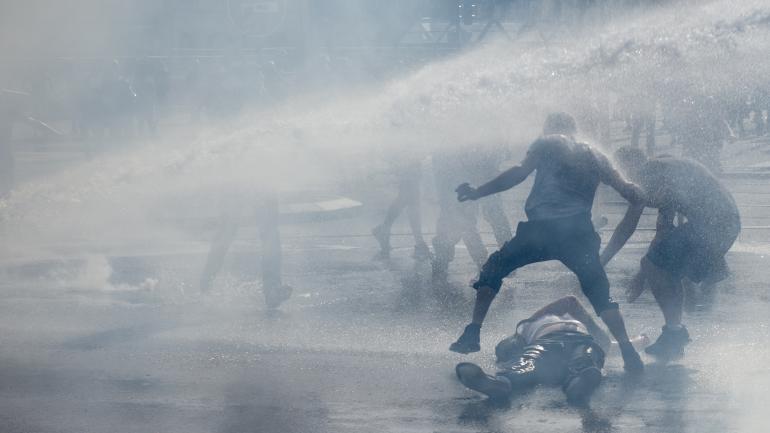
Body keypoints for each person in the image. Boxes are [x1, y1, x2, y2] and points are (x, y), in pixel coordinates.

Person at [449, 112, 645, 372]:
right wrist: (639, 193)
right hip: (579, 232)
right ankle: (629, 351)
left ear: (550, 129)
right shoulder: (596, 156)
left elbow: (518, 174)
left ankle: (473, 331)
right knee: (599, 291)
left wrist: (477, 192)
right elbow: (627, 188)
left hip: (541, 229)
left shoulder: (548, 142)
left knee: (494, 268)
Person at [601, 147, 741, 359]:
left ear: (627, 168)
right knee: (660, 266)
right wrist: (644, 273)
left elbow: (627, 227)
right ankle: (674, 335)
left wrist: (600, 262)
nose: (617, 183)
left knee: (657, 266)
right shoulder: (663, 169)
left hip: (712, 225)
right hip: (725, 223)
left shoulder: (644, 176)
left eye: (617, 174)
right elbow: (663, 232)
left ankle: (675, 334)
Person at [456, 296, 610, 406]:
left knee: (529, 364)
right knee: (531, 362)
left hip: (573, 341)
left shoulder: (527, 327)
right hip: (565, 341)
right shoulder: (521, 333)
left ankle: (579, 384)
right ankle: (500, 383)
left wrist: (528, 322)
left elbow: (570, 301)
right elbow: (504, 351)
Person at [200, 190, 292, 309]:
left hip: (259, 181)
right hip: (235, 181)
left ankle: (272, 290)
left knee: (270, 232)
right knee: (226, 232)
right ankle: (206, 285)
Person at [372, 159, 431, 261]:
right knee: (411, 195)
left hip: (409, 156)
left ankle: (384, 229)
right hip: (409, 156)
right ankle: (419, 242)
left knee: (408, 195)